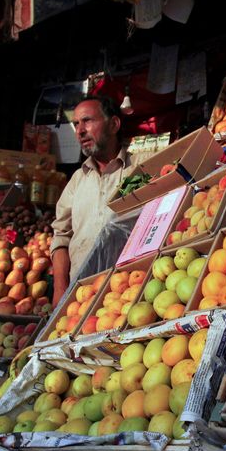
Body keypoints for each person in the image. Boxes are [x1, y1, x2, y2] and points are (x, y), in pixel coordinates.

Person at [50, 95, 141, 304]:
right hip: (80, 296)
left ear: (114, 124)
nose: (80, 131)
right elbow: (61, 237)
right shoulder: (77, 180)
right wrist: (60, 290)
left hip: (129, 291)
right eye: (76, 124)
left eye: (87, 121)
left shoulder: (139, 168)